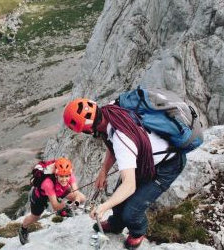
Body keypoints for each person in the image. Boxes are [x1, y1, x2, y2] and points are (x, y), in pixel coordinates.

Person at [63, 98, 186, 249]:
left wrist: (104, 207)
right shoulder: (111, 109)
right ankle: (116, 224)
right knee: (119, 200)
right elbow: (112, 144)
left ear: (88, 129)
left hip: (168, 165)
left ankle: (137, 231)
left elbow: (129, 185)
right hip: (147, 158)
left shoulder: (122, 138)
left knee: (131, 212)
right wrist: (104, 171)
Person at [18, 157, 86, 245]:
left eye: (66, 176)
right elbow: (55, 206)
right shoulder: (47, 183)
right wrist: (65, 205)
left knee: (82, 197)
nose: (64, 179)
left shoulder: (69, 175)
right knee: (35, 217)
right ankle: (23, 229)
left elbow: (76, 192)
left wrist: (76, 202)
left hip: (58, 189)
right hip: (40, 196)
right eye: (61, 176)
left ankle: (64, 209)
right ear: (56, 174)